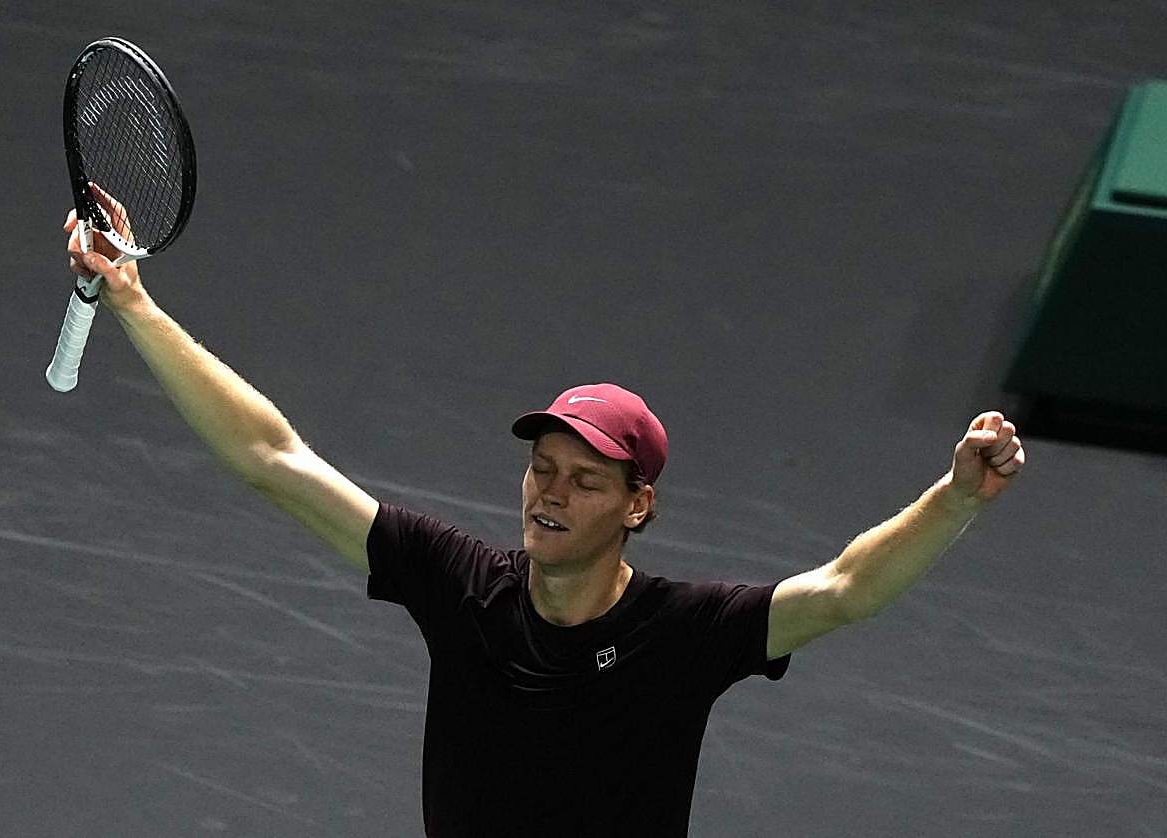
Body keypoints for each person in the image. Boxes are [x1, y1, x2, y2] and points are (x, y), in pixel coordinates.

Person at [63, 191, 1026, 837]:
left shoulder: (685, 634)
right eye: (541, 467)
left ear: (637, 506)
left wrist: (955, 496)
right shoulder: (460, 585)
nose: (550, 492)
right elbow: (274, 458)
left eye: (585, 479)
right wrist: (136, 304)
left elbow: (850, 590)